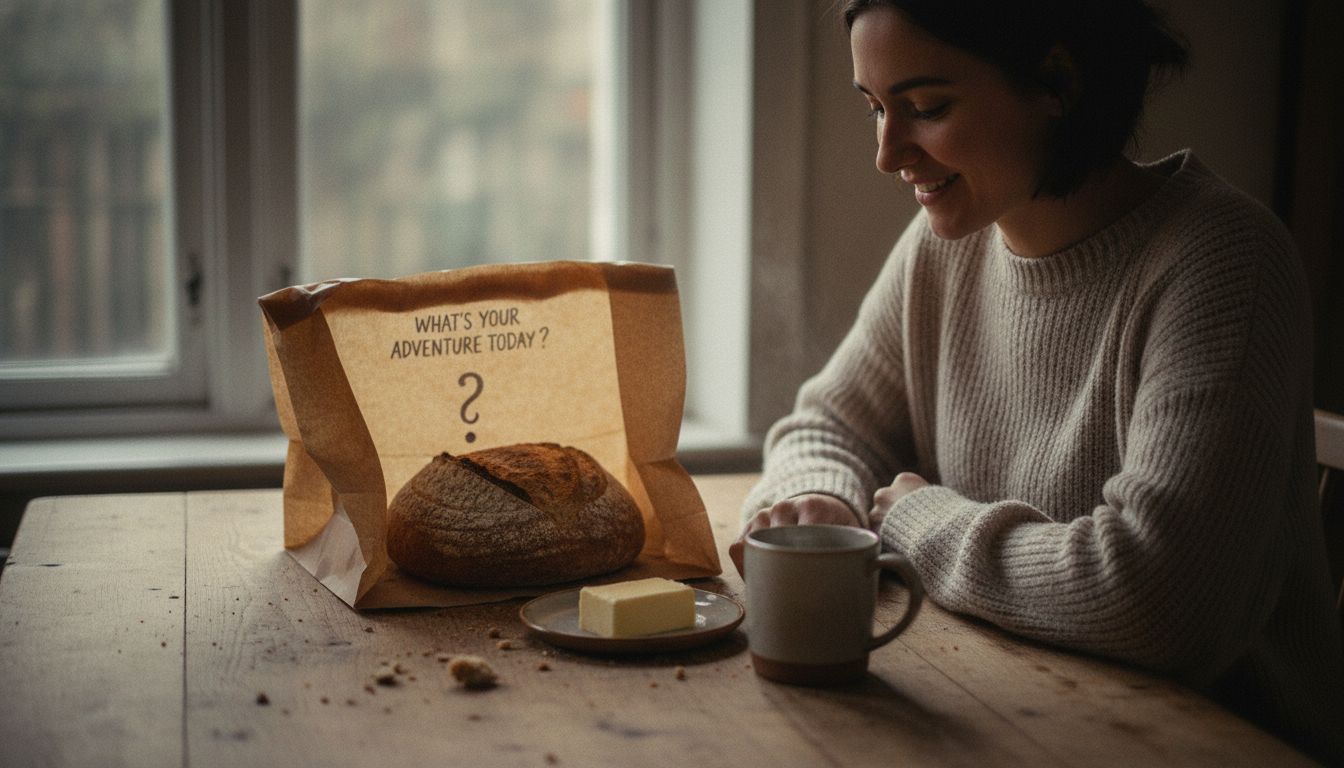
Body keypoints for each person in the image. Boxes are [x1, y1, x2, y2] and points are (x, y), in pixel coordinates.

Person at [735, 0, 1344, 762]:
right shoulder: (945, 245)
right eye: (875, 108)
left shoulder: (1222, 263)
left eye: (925, 107)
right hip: (1017, 712)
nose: (888, 155)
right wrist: (826, 495)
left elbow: (1159, 599)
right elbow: (827, 424)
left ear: (1059, 81)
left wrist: (920, 524)